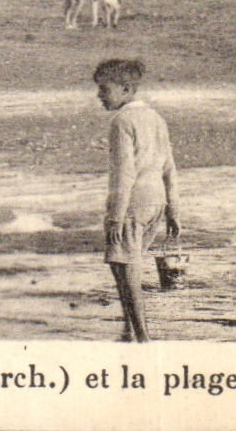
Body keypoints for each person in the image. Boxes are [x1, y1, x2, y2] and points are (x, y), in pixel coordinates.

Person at [93, 59, 179, 342]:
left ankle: (142, 337)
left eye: (105, 90)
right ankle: (129, 328)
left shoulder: (122, 121)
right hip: (157, 201)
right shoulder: (157, 118)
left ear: (126, 89)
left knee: (127, 270)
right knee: (123, 264)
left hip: (132, 203)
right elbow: (169, 167)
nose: (99, 96)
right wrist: (173, 210)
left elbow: (124, 173)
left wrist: (115, 216)